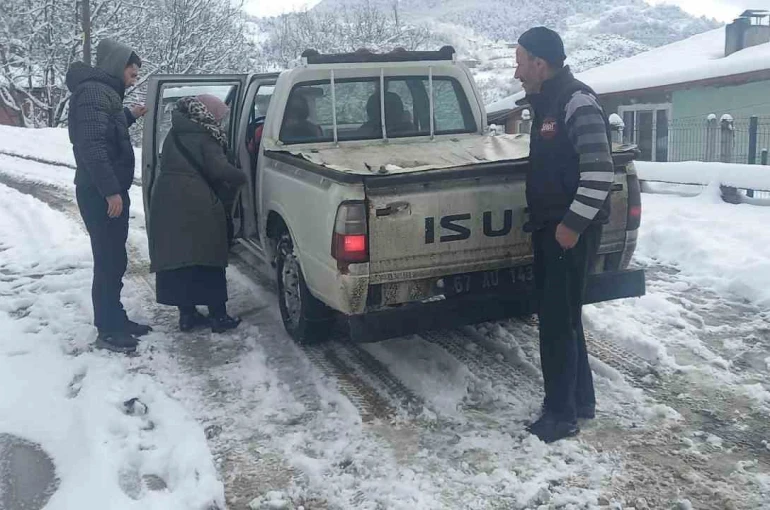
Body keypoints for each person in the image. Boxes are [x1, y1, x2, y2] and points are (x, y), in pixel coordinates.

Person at [514, 27, 614, 443]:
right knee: (565, 318)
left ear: (540, 63)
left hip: (567, 232)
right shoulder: (547, 103)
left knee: (556, 323)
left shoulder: (575, 100)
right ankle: (580, 400)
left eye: (520, 62)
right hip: (554, 228)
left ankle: (560, 416)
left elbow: (601, 171)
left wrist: (570, 227)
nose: (516, 72)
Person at [67, 39, 152, 354]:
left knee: (115, 258)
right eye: (132, 74)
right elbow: (92, 146)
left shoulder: (104, 94)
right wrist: (111, 191)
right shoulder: (93, 92)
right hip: (99, 191)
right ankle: (108, 328)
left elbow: (106, 131)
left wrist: (130, 114)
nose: (133, 80)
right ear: (119, 67)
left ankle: (115, 318)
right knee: (107, 259)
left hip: (105, 189)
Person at [147, 95, 246, 333]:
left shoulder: (175, 133)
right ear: (209, 114)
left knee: (180, 258)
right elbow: (219, 169)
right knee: (208, 256)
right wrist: (244, 177)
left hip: (166, 199)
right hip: (196, 201)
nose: (221, 122)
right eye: (220, 117)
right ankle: (218, 317)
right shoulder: (206, 136)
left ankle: (187, 315)